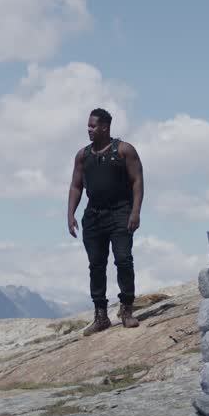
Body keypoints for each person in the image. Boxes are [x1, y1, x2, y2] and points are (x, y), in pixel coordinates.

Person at [67, 108, 144, 335]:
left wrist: (135, 212)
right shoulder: (83, 155)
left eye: (93, 126)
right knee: (96, 265)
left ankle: (127, 310)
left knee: (123, 260)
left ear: (105, 127)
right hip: (93, 216)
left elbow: (137, 181)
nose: (89, 129)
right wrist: (70, 214)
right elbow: (76, 186)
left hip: (121, 212)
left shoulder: (124, 151)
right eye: (88, 126)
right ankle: (101, 316)